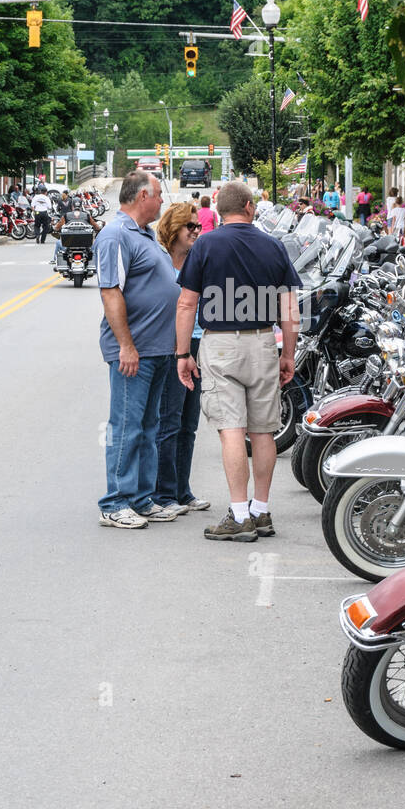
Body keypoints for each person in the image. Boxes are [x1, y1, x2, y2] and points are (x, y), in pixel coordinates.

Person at [175, 180, 302, 542]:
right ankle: (261, 511)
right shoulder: (273, 245)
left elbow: (186, 304)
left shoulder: (206, 246)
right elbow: (289, 308)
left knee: (231, 429)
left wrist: (183, 354)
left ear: (220, 210)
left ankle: (239, 513)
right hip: (263, 341)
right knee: (263, 431)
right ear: (248, 206)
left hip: (220, 344)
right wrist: (288, 353)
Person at [96, 169, 182, 529]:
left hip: (158, 349)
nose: (163, 200)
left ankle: (141, 498)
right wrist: (126, 346)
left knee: (149, 426)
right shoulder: (116, 235)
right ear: (142, 196)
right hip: (136, 352)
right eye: (159, 194)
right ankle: (115, 501)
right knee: (128, 426)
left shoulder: (146, 234)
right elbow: (110, 291)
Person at [154, 202, 211, 513]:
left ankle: (182, 490)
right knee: (169, 421)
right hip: (173, 346)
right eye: (190, 226)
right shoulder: (161, 263)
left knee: (189, 423)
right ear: (173, 228)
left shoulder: (198, 260)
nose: (196, 231)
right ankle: (163, 494)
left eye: (197, 225)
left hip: (199, 344)